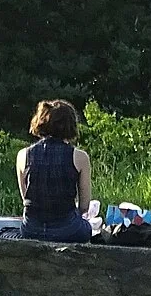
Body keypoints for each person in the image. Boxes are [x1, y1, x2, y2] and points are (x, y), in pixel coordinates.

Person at [15, 99, 94, 243]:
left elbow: (26, 199)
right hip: (68, 230)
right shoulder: (80, 157)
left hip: (31, 230)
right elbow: (84, 206)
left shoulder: (23, 155)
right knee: (88, 227)